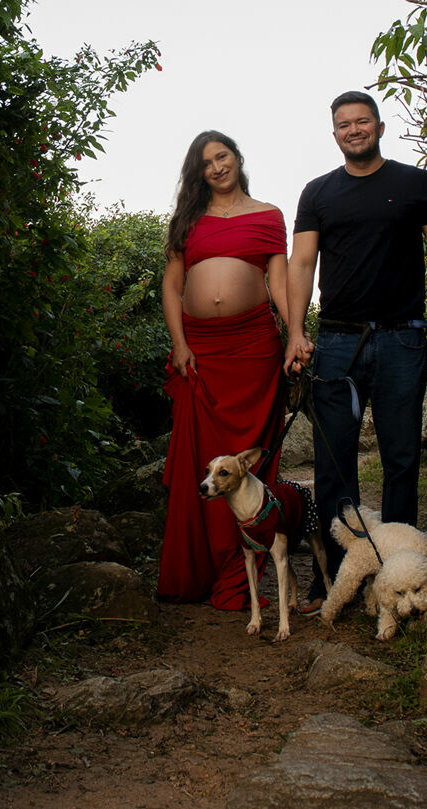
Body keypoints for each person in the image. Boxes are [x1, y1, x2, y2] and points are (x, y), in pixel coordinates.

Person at [284, 91, 427, 607]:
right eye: (343, 124)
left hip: (402, 336)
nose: (353, 130)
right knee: (333, 461)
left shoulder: (414, 183)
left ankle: (405, 568)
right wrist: (297, 332)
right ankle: (340, 575)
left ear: (380, 127)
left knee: (401, 455)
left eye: (362, 121)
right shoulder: (318, 192)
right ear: (334, 133)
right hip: (338, 340)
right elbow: (301, 265)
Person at [156, 130, 295, 608]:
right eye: (206, 163)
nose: (216, 167)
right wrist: (179, 344)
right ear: (198, 174)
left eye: (222, 156)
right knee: (200, 456)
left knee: (250, 458)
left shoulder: (269, 216)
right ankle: (197, 572)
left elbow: (280, 284)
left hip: (254, 349)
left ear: (237, 158)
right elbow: (172, 287)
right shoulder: (187, 220)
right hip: (202, 352)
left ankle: (243, 575)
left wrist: (296, 333)